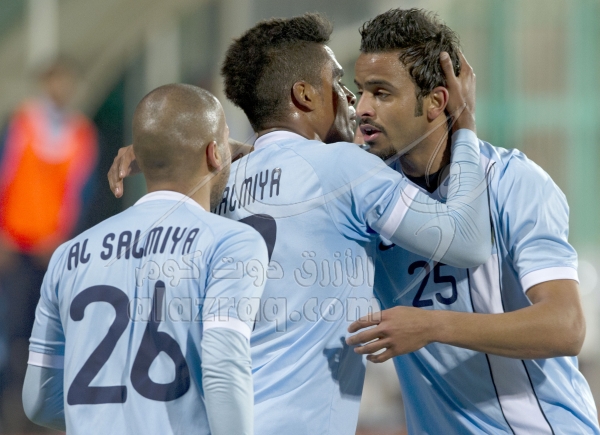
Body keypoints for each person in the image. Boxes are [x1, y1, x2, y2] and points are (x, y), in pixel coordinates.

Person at [346, 8, 599, 434]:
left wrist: (432, 326)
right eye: (360, 92)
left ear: (435, 102)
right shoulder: (369, 192)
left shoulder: (513, 181)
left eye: (382, 93)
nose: (363, 109)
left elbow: (566, 326)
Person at [22, 84, 267, 435]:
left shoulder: (68, 255)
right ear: (215, 153)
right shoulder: (232, 242)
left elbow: (38, 400)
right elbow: (223, 369)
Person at [0, 57, 98, 431]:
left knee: (49, 329)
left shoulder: (81, 133)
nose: (61, 88)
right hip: (16, 245)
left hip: (53, 249)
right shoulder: (22, 124)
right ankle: (12, 411)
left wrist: (64, 238)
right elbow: (6, 175)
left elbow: (82, 193)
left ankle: (43, 411)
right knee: (14, 328)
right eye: (56, 80)